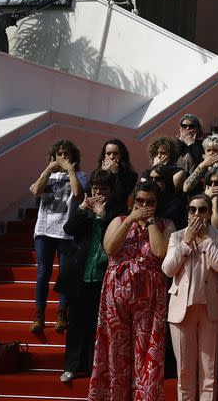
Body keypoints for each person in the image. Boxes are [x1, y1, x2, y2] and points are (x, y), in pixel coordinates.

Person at [85, 181, 174, 401]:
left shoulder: (165, 225)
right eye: (140, 202)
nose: (145, 207)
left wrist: (148, 223)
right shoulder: (118, 220)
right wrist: (130, 220)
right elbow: (110, 247)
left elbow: (160, 251)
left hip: (150, 297)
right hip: (116, 296)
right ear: (132, 201)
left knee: (147, 354)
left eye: (150, 202)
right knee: (115, 354)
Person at [162, 194, 218, 401]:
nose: (196, 214)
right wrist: (185, 243)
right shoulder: (177, 236)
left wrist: (203, 240)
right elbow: (168, 269)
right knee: (184, 371)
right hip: (181, 310)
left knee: (208, 371)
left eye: (202, 209)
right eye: (192, 209)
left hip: (210, 309)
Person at [55, 170, 124, 383]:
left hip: (103, 276)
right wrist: (84, 209)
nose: (98, 192)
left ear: (111, 191)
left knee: (98, 325)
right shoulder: (83, 207)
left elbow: (115, 240)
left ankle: (94, 366)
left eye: (103, 188)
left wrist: (102, 216)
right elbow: (69, 228)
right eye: (95, 187)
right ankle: (72, 366)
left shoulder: (117, 212)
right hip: (80, 274)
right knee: (75, 323)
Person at [29, 140, 88, 333]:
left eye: (67, 154)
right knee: (42, 272)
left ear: (73, 157)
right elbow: (36, 191)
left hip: (65, 232)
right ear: (53, 156)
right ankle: (39, 316)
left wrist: (70, 171)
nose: (63, 158)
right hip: (44, 230)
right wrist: (48, 170)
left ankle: (62, 313)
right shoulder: (48, 174)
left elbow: (79, 194)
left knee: (65, 273)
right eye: (59, 154)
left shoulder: (80, 175)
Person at [97, 139, 137, 209]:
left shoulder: (131, 176)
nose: (112, 157)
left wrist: (115, 174)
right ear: (104, 155)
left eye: (115, 153)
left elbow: (122, 197)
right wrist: (103, 174)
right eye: (108, 154)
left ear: (121, 155)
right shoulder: (96, 173)